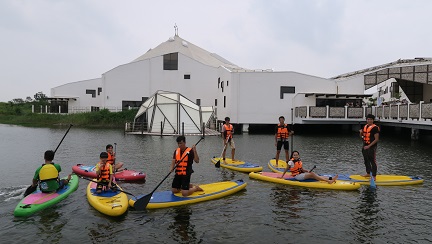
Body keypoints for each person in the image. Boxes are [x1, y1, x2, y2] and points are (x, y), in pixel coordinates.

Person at [359, 114, 380, 179]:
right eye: (368, 119)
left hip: (372, 146)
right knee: (366, 160)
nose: (369, 120)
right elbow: (362, 136)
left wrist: (369, 146)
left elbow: (376, 139)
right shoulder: (365, 126)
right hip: (365, 145)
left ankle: (374, 176)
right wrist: (360, 133)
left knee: (372, 160)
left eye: (371, 119)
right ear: (366, 120)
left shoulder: (375, 128)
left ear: (373, 120)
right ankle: (368, 173)